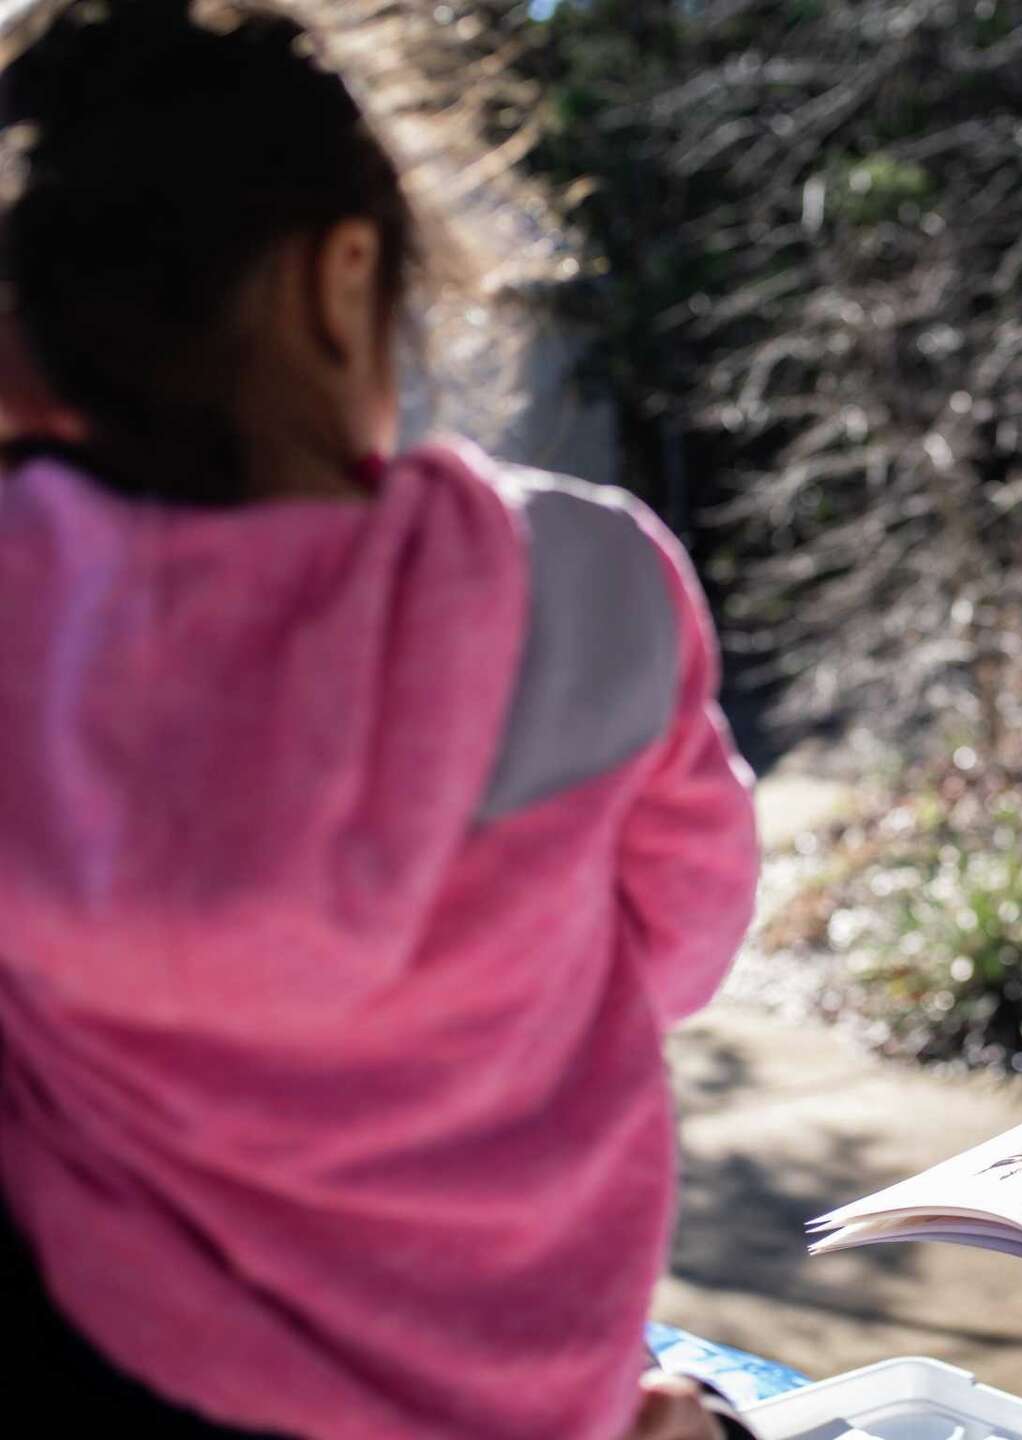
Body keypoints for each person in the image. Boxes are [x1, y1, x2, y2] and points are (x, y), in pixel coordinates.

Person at [0, 3, 758, 1437]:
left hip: (136, 1354)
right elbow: (679, 945)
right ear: (340, 277)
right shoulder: (585, 585)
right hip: (533, 1380)